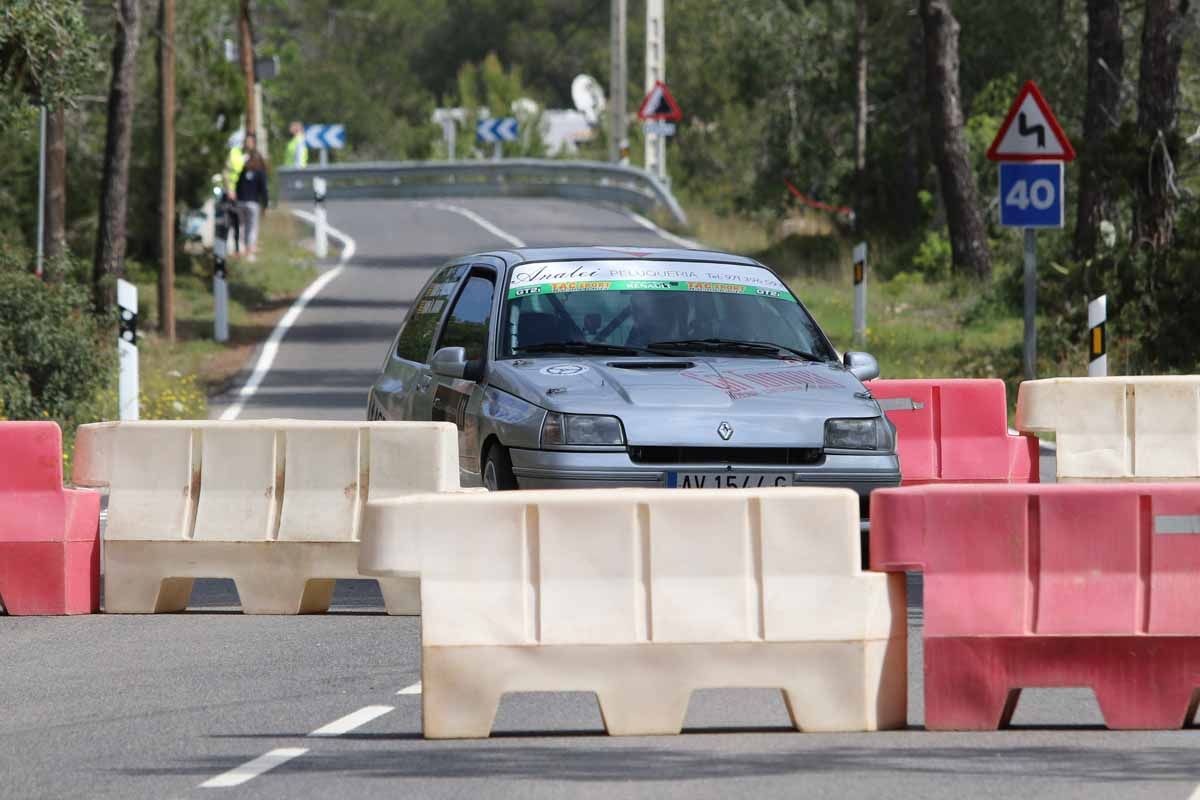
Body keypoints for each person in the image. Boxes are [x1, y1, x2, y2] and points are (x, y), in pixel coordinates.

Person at [235, 147, 269, 261]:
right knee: (252, 228)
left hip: (240, 203)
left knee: (242, 227)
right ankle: (250, 252)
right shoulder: (260, 172)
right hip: (253, 203)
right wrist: (265, 205)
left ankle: (241, 249)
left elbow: (238, 186)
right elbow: (263, 190)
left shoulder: (243, 170)